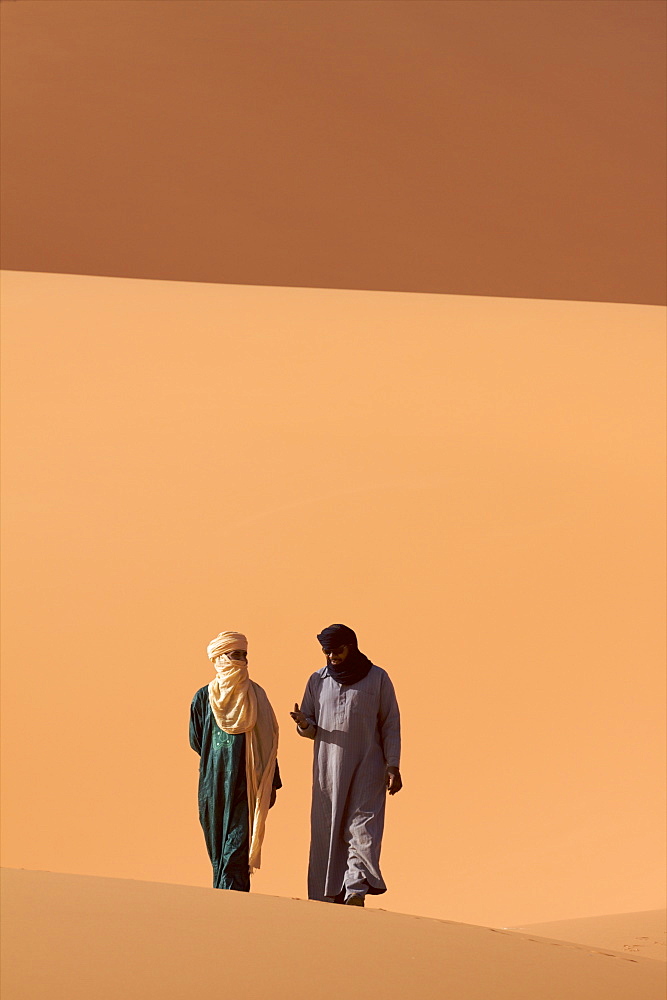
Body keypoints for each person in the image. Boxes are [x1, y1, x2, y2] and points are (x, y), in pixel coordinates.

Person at [291, 623, 402, 906]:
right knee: (327, 830)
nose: (331, 657)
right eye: (326, 651)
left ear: (351, 646)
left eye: (337, 650)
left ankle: (355, 889)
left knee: (363, 827)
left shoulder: (378, 678)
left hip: (369, 766)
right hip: (328, 770)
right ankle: (326, 896)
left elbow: (390, 723)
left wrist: (393, 765)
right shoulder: (318, 680)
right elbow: (310, 723)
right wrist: (304, 724)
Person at [190, 631, 281, 891]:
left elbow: (269, 743)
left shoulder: (257, 696)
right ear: (219, 658)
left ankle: (233, 898)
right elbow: (196, 740)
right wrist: (219, 759)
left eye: (244, 655)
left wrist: (271, 782)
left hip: (248, 782)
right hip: (213, 783)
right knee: (217, 846)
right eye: (235, 655)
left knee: (237, 845)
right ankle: (223, 902)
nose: (241, 661)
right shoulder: (202, 698)